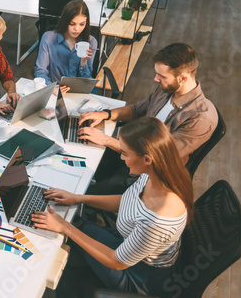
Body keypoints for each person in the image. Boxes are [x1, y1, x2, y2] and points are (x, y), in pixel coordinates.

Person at [32, 117, 194, 298]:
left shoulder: (157, 220)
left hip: (136, 274)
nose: (121, 157)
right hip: (125, 244)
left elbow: (115, 261)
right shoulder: (156, 175)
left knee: (57, 257)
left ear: (147, 159)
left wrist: (65, 227)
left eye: (125, 153)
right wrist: (78, 198)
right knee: (68, 229)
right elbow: (127, 201)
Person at [79, 43, 218, 195]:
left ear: (183, 78)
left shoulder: (201, 118)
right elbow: (138, 110)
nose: (155, 79)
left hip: (146, 175)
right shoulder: (167, 89)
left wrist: (106, 140)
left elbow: (155, 156)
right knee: (79, 157)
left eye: (162, 76)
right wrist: (106, 114)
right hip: (130, 152)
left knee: (82, 192)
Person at [34, 0, 98, 89]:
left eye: (82, 24)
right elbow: (40, 72)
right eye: (72, 24)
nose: (77, 29)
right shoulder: (49, 38)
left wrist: (83, 62)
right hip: (55, 88)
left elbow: (86, 79)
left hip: (78, 90)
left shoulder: (91, 42)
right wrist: (52, 88)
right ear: (65, 21)